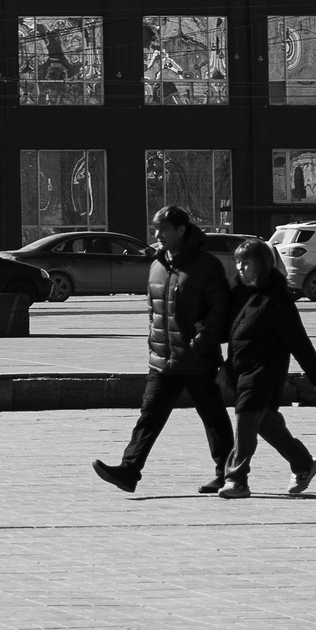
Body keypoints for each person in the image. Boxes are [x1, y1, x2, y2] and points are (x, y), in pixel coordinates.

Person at [93, 205, 234, 495]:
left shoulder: (206, 266)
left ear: (181, 230)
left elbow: (220, 312)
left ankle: (228, 474)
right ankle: (129, 470)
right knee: (150, 415)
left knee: (213, 418)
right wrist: (154, 345)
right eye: (155, 229)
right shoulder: (157, 265)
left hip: (197, 359)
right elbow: (153, 312)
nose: (157, 235)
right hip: (162, 359)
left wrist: (200, 344)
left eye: (163, 230)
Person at [217, 239, 316, 498]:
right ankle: (303, 463)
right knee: (265, 423)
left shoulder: (278, 299)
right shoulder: (242, 295)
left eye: (246, 262)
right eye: (238, 261)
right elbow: (233, 336)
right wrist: (225, 367)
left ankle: (236, 480)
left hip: (265, 373)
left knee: (246, 418)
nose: (240, 267)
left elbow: (298, 340)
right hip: (242, 372)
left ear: (262, 264)